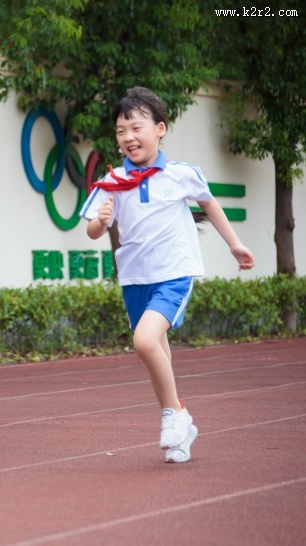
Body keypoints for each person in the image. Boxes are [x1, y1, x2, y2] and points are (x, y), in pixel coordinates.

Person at [80, 87, 255, 463]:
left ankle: (174, 412)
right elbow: (92, 230)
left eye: (136, 127)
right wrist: (101, 221)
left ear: (160, 129)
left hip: (174, 272)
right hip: (134, 278)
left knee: (144, 342)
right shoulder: (110, 181)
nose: (128, 137)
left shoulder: (180, 174)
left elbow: (209, 204)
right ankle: (181, 435)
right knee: (160, 351)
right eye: (121, 130)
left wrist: (235, 245)